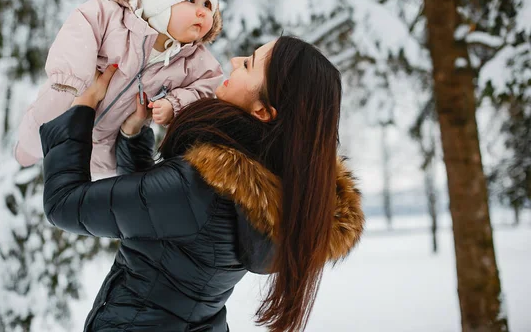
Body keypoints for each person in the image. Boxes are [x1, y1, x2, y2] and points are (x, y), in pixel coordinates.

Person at [40, 36, 365, 332]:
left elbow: (64, 204)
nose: (236, 60)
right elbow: (158, 223)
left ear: (264, 111)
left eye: (249, 64)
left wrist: (80, 109)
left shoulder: (203, 189)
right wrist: (133, 134)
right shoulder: (270, 187)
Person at [15, 0, 224, 177]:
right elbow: (81, 26)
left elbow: (209, 89)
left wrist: (174, 104)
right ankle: (24, 152)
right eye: (191, 0)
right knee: (37, 134)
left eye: (208, 5)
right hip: (67, 100)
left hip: (106, 147)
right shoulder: (112, 18)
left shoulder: (196, 61)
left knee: (86, 181)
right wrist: (71, 80)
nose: (202, 12)